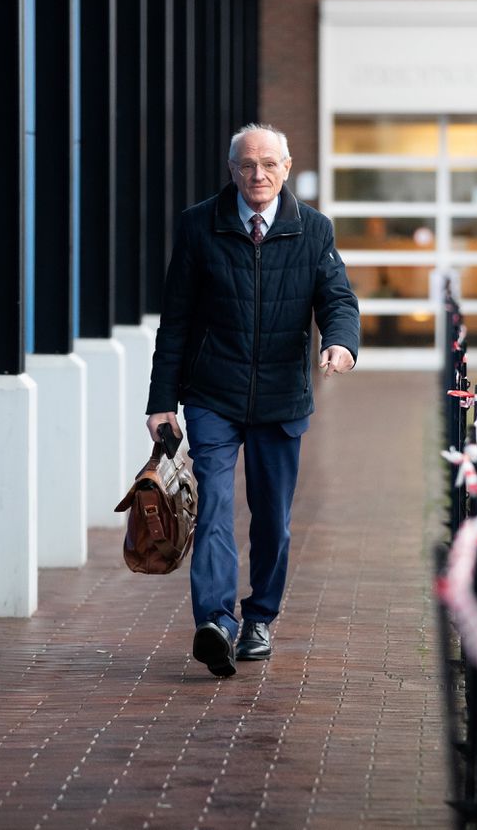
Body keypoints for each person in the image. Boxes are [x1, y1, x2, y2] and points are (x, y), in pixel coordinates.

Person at [145, 123, 359, 677]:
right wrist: (161, 401)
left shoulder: (313, 230)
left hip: (282, 400)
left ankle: (260, 616)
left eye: (268, 164)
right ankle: (216, 621)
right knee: (213, 505)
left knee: (272, 520)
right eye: (246, 165)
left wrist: (339, 343)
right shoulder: (199, 226)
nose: (257, 175)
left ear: (286, 168)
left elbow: (338, 300)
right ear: (232, 170)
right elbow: (176, 324)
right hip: (213, 394)